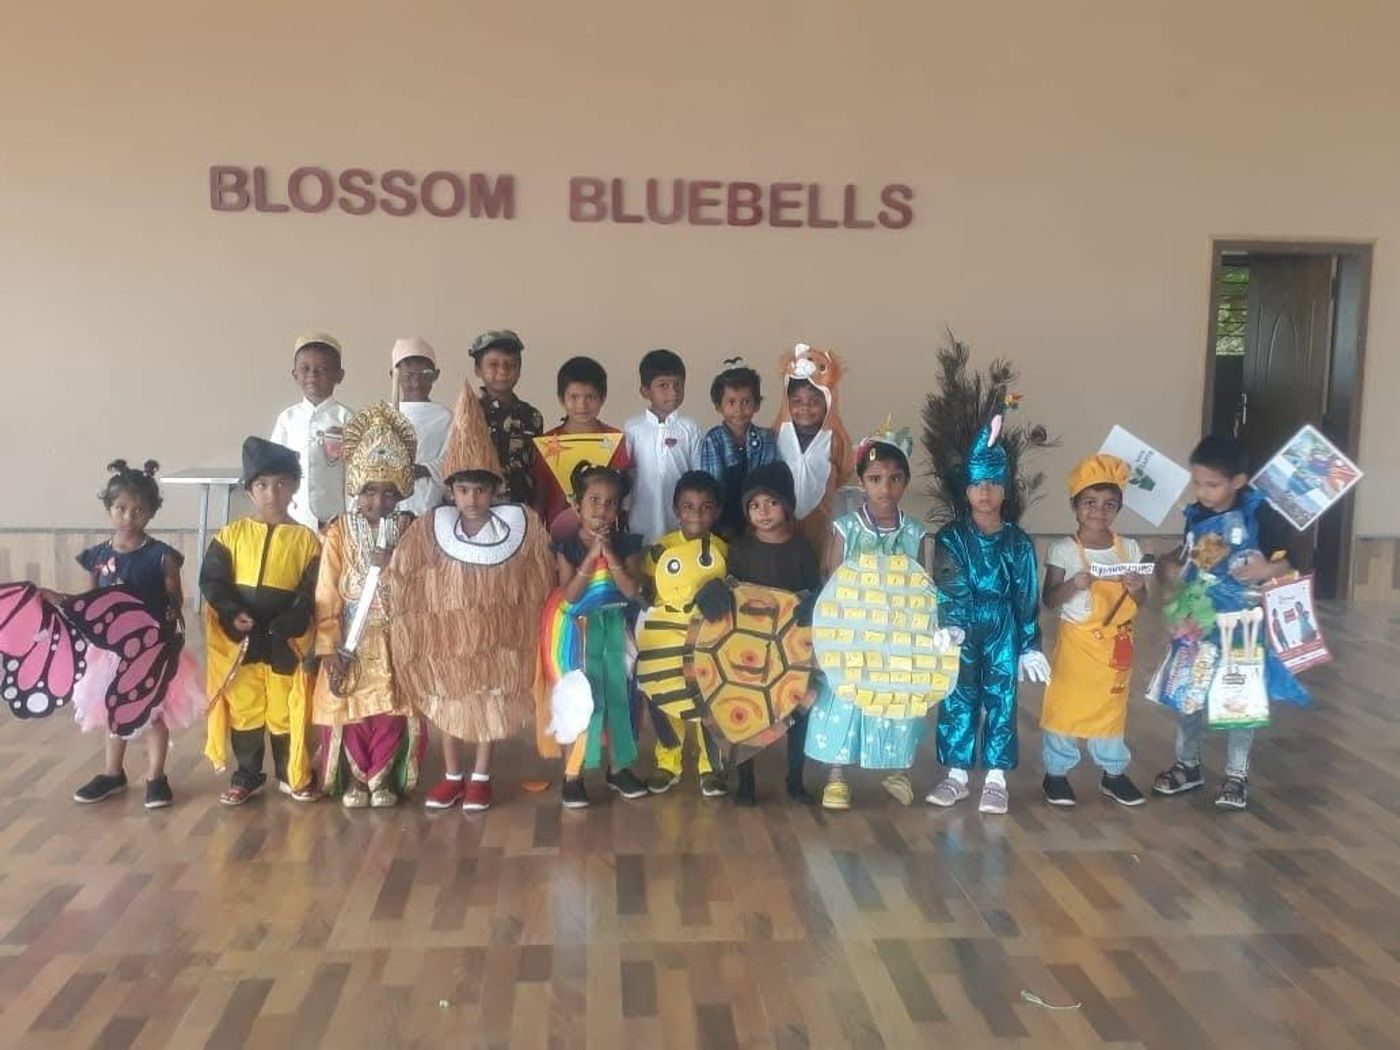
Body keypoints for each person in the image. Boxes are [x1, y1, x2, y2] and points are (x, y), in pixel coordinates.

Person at [387, 383, 554, 813]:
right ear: (451, 492)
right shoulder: (431, 529)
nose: (472, 499)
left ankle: (481, 776)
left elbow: (536, 578)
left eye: (480, 490)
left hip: (497, 643)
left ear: (495, 491)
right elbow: (410, 576)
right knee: (450, 702)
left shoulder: (518, 530)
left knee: (488, 703)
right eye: (463, 490)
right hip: (448, 643)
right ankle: (452, 775)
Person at [1149, 435, 1307, 810]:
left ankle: (1236, 774)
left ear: (1237, 481)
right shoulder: (1196, 515)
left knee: (1240, 698)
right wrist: (1169, 569)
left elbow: (1294, 559)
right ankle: (1187, 764)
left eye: (1212, 484)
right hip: (1197, 623)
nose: (1202, 492)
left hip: (1242, 626)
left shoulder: (1261, 513)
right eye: (1197, 483)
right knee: (1188, 694)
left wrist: (1267, 569)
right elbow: (1188, 560)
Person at [924, 374, 1049, 816]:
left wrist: (1029, 643)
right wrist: (951, 624)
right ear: (966, 490)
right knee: (958, 696)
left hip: (1002, 626)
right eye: (977, 484)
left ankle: (996, 778)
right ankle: (957, 774)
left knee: (1001, 697)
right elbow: (948, 582)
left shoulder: (1017, 542)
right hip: (963, 627)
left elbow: (1026, 595)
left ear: (1005, 489)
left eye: (993, 484)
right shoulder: (951, 537)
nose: (984, 492)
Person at [805, 426, 931, 810]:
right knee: (844, 700)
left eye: (895, 479)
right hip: (851, 634)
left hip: (897, 636)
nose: (885, 489)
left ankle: (897, 769)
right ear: (861, 482)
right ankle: (837, 775)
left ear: (906, 482)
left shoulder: (914, 532)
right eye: (875, 479)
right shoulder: (846, 529)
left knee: (898, 699)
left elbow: (922, 586)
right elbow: (831, 581)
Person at [310, 404, 427, 808]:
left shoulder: (411, 529)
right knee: (352, 710)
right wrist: (328, 648)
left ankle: (383, 779)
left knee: (391, 711)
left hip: (396, 639)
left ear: (401, 492)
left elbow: (423, 586)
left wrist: (395, 563)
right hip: (351, 640)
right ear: (356, 490)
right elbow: (326, 593)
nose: (379, 500)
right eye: (370, 491)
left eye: (389, 491)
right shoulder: (339, 532)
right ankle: (355, 780)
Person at [68, 460, 201, 809]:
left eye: (138, 510)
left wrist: (170, 614)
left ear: (151, 512)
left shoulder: (161, 555)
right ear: (109, 509)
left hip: (150, 649)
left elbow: (174, 596)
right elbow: (91, 600)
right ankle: (113, 773)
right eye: (121, 508)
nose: (129, 516)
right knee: (115, 708)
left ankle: (156, 776)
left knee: (152, 710)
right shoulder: (98, 556)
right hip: (111, 651)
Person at [202, 437, 322, 806]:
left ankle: (290, 773)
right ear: (249, 490)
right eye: (262, 485)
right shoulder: (230, 536)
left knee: (285, 707)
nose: (272, 493)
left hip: (284, 639)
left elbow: (311, 589)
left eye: (281, 483)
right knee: (245, 707)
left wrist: (293, 619)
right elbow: (213, 580)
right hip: (243, 639)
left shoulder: (307, 541)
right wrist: (230, 611)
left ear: (295, 486)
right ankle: (247, 774)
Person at [1038, 454, 1147, 808]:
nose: (1099, 511)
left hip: (1116, 645)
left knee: (1111, 707)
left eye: (1108, 504)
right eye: (1089, 502)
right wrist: (1074, 584)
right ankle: (1056, 773)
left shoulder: (1129, 549)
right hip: (1077, 644)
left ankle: (1113, 772)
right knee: (1065, 705)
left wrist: (1135, 587)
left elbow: (1141, 600)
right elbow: (1049, 600)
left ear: (1118, 508)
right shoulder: (1063, 550)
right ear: (1075, 506)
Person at [545, 463, 649, 808]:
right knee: (580, 700)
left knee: (622, 697)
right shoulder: (567, 548)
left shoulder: (628, 544)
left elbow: (631, 590)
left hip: (617, 631)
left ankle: (619, 769)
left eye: (610, 503)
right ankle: (572, 775)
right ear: (577, 506)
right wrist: (592, 556)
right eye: (594, 500)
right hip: (578, 634)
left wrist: (610, 553)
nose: (602, 509)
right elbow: (570, 595)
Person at [724, 462, 821, 805]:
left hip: (791, 647)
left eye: (772, 502)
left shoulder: (802, 549)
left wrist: (810, 604)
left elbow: (813, 591)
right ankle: (745, 781)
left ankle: (796, 778)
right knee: (743, 709)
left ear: (787, 505)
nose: (763, 511)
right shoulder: (740, 550)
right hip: (750, 646)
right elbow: (733, 590)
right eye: (754, 505)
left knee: (798, 709)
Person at [639, 470, 728, 797]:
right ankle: (668, 762)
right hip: (666, 641)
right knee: (665, 699)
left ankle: (710, 768)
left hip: (707, 641)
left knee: (708, 704)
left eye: (706, 507)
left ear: (717, 511)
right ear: (677, 510)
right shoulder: (660, 549)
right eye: (689, 507)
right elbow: (648, 593)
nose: (697, 514)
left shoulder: (722, 550)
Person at [533, 356, 634, 530]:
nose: (582, 405)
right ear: (561, 398)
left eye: (590, 397)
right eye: (574, 397)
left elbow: (622, 494)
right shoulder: (547, 443)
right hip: (557, 533)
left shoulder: (615, 440)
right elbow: (540, 494)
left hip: (604, 534)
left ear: (603, 398)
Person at [770, 343, 852, 557]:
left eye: (814, 401)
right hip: (781, 520)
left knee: (815, 559)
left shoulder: (834, 439)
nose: (805, 408)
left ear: (827, 403)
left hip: (819, 520)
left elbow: (844, 470)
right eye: (796, 401)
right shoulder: (777, 435)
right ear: (787, 403)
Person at [270, 332, 354, 531]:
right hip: (293, 518)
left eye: (322, 369)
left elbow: (355, 475)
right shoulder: (287, 419)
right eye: (305, 369)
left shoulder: (348, 419)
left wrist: (351, 520)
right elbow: (273, 470)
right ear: (295, 374)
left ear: (339, 375)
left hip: (336, 521)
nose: (312, 375)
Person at [623, 349, 702, 545]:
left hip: (680, 519)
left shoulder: (689, 428)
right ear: (645, 391)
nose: (673, 392)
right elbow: (626, 475)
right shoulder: (632, 429)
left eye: (678, 385)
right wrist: (623, 510)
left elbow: (698, 475)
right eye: (663, 386)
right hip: (641, 517)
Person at [699, 359, 778, 541]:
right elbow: (712, 487)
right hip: (722, 519)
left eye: (746, 401)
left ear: (757, 405)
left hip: (759, 515)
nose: (739, 409)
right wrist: (720, 525)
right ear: (718, 406)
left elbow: (767, 484)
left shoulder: (766, 438)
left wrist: (756, 522)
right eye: (731, 402)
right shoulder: (713, 440)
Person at [471, 329, 544, 506]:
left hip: (521, 508)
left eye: (511, 365)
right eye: (493, 364)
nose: (503, 371)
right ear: (478, 370)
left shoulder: (531, 416)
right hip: (478, 508)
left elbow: (537, 470)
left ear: (519, 370)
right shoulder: (470, 413)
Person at [390, 337, 453, 521]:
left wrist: (424, 469)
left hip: (429, 505)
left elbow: (450, 458)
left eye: (425, 375)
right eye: (409, 376)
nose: (416, 382)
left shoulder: (446, 417)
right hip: (389, 504)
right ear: (394, 376)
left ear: (436, 375)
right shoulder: (384, 415)